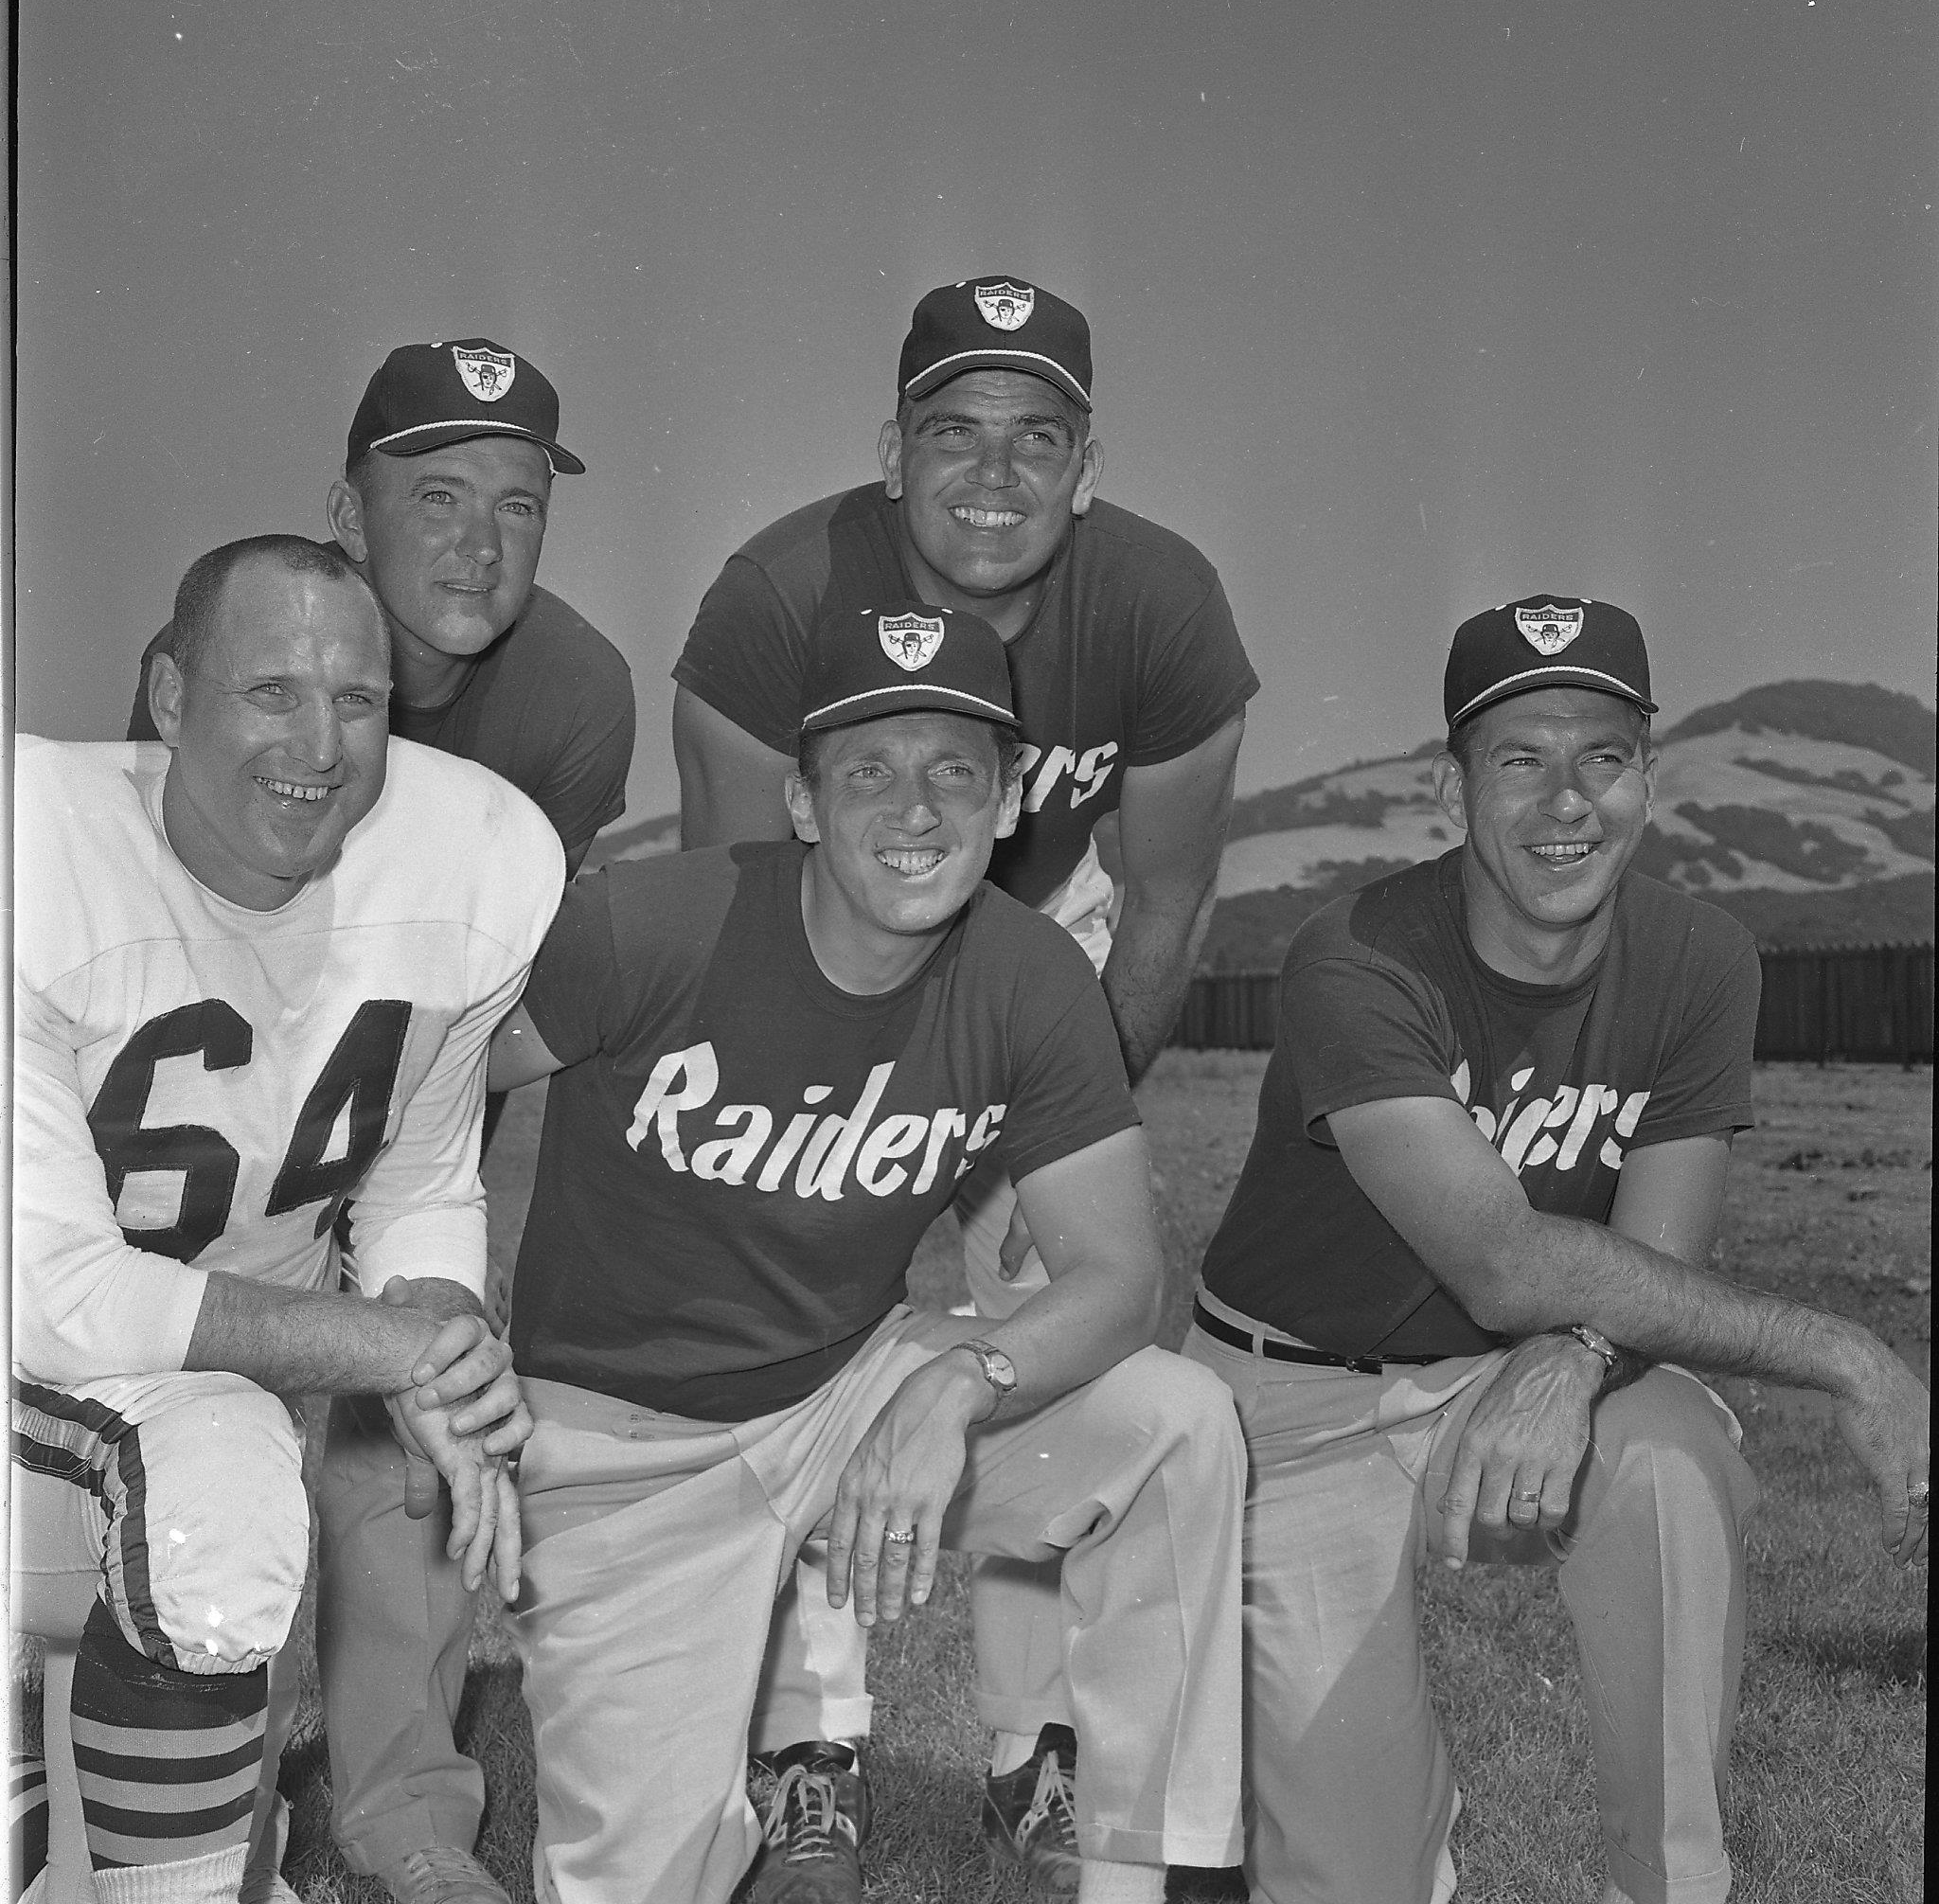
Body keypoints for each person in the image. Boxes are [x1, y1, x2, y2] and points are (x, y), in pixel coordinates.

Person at [489, 604, 1246, 1904]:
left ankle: (1154, 1874)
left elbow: (1120, 1276)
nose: (917, 806)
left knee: (1176, 1427)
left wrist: (963, 1382)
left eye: (956, 768)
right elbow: (437, 1083)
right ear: (798, 799)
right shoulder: (645, 926)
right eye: (869, 769)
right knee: (638, 1881)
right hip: (625, 1444)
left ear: (1008, 800)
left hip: (852, 1388)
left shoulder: (1028, 974)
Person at [1187, 595, 1930, 1904]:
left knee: (1675, 1457)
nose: (1564, 800)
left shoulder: (1702, 956)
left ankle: (1674, 1882)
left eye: (1602, 754)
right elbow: (1497, 1258)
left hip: (1514, 1367)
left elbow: (1658, 1257)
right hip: (1299, 1393)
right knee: (1354, 1879)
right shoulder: (1353, 954)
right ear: (1451, 785)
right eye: (1520, 757)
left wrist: (1579, 1353)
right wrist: (1850, 1355)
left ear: (1650, 776)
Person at [671, 274, 1256, 1890]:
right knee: (808, 1313)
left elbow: (1166, 904)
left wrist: (1055, 1119)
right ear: (891, 449)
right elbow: (734, 902)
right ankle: (807, 1742)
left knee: (1053, 1326)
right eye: (952, 435)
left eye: (1036, 440)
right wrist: (848, 1137)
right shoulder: (777, 594)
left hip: (1039, 954)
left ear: (1087, 462)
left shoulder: (1158, 599)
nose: (992, 480)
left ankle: (1036, 1750)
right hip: (823, 945)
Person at [125, 338, 633, 1904]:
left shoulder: (572, 693)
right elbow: (176, 956)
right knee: (223, 1426)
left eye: (518, 502)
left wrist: (447, 1282)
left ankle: (408, 1818)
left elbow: (511, 1010)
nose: (480, 542)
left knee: (415, 1416)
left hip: (421, 1085)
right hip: (233, 1096)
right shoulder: (237, 640)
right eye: (435, 495)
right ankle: (230, 1773)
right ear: (346, 508)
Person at [11, 535, 565, 1904]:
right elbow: (47, 1294)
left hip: (178, 1408)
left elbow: (418, 1175)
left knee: (226, 1483)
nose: (320, 742)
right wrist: (392, 1357)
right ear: (166, 693)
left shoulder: (467, 860)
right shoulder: (37, 849)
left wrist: (433, 1326)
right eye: (271, 692)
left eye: (360, 701)